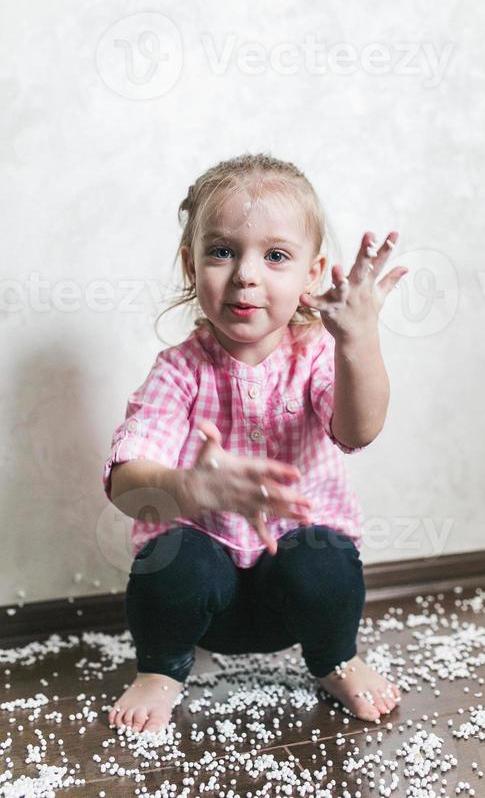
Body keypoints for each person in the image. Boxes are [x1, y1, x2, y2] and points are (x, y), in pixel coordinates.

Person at [103, 152, 408, 734]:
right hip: (204, 601)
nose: (246, 274)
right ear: (192, 267)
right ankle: (162, 669)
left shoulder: (317, 354)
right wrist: (186, 488)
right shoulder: (179, 371)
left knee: (326, 560)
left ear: (312, 275)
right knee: (173, 560)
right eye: (222, 251)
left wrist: (359, 343)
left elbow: (358, 430)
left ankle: (335, 657)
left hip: (292, 592)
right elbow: (125, 481)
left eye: (275, 256)